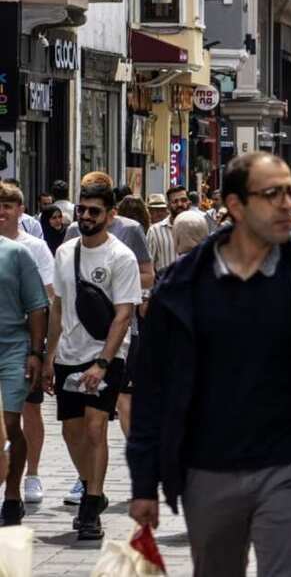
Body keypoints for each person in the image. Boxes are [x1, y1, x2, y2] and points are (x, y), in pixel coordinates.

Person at [126, 152, 291, 576]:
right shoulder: (182, 287)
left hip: (289, 466)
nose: (288, 203)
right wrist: (144, 484)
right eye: (273, 194)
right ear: (235, 206)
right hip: (207, 469)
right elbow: (152, 391)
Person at [44, 183, 141, 540]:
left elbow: (123, 315)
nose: (85, 216)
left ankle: (91, 504)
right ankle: (91, 486)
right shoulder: (65, 252)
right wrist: (49, 355)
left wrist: (103, 361)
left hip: (107, 354)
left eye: (94, 211)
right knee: (71, 432)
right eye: (82, 210)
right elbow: (58, 307)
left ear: (111, 215)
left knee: (95, 427)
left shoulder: (121, 257)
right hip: (68, 353)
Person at [0, 184, 55, 511]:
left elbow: (42, 302)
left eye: (8, 205)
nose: (2, 211)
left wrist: (39, 352)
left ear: (21, 210)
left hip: (16, 347)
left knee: (13, 421)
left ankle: (18, 486)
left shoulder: (26, 250)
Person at [146, 186, 193, 276]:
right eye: (175, 201)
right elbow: (149, 266)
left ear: (189, 203)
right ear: (168, 206)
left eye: (183, 200)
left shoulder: (198, 227)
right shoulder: (155, 231)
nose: (180, 204)